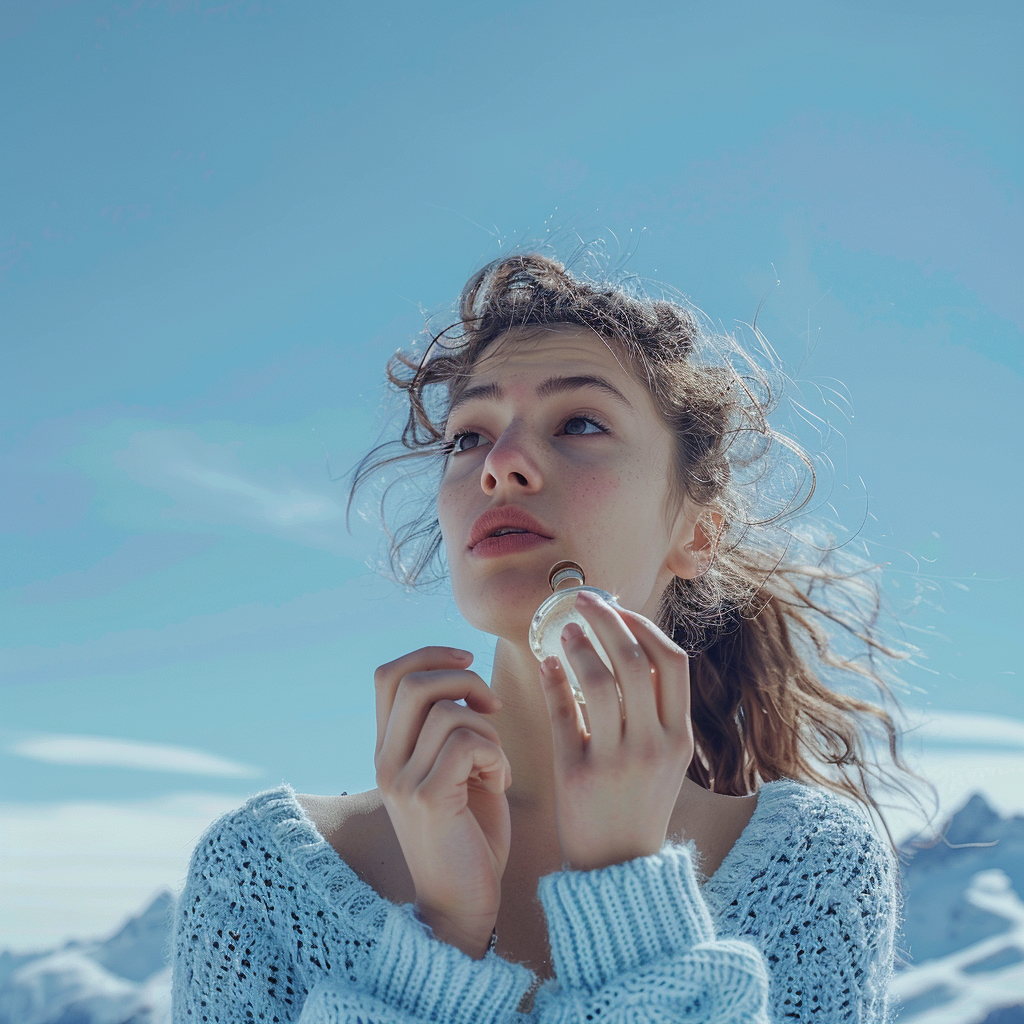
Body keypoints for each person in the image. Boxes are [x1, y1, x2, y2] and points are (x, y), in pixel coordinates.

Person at [171, 252, 927, 1022]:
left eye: (581, 423)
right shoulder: (259, 880)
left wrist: (627, 895)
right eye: (469, 436)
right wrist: (440, 942)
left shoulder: (813, 877)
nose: (501, 465)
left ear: (698, 533)